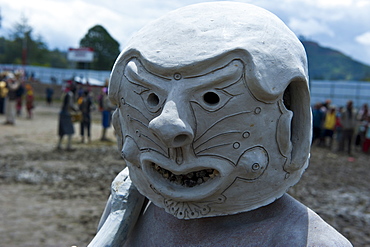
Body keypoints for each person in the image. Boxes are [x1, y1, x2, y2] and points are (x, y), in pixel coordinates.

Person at [89, 3, 351, 246]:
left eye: (211, 98)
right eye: (152, 98)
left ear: (295, 119)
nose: (168, 127)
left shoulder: (304, 241)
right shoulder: (128, 208)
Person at [57, 82, 78, 151]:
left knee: (62, 130)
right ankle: (68, 146)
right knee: (70, 130)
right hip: (66, 113)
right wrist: (76, 110)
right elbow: (70, 105)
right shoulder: (70, 94)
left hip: (61, 113)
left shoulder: (64, 93)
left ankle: (59, 145)